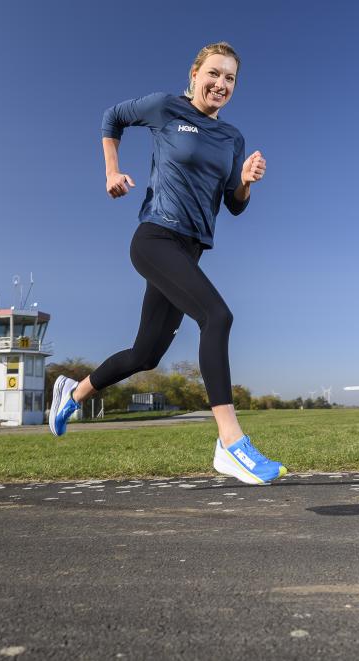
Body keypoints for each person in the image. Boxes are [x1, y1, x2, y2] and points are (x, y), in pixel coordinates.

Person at [49, 42, 286, 485]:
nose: (221, 84)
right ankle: (231, 443)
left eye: (230, 78)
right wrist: (111, 171)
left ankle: (72, 392)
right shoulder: (164, 108)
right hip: (155, 237)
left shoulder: (232, 138)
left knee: (146, 353)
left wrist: (246, 183)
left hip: (190, 249)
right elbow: (111, 117)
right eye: (214, 73)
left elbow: (234, 206)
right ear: (195, 73)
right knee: (217, 316)